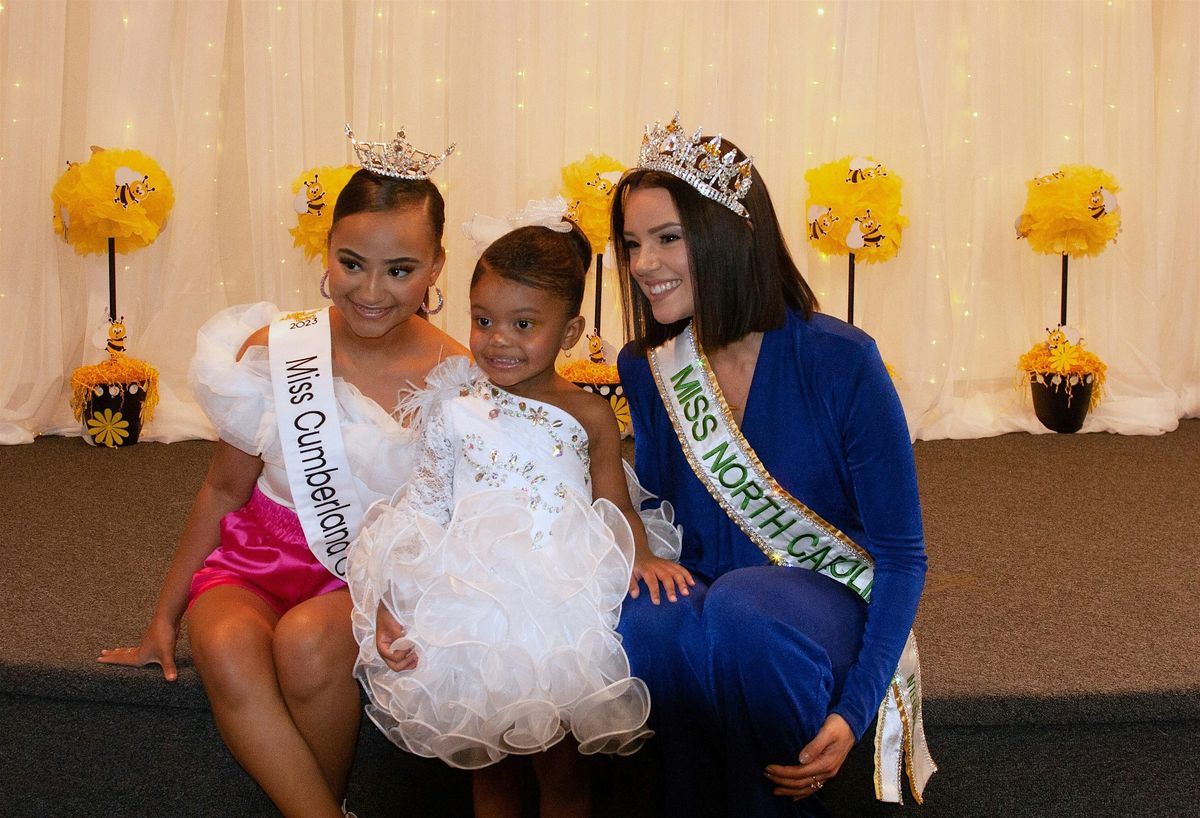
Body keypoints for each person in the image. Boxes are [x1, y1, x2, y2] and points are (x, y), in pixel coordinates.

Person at [98, 126, 467, 818]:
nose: (371, 291)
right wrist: (162, 615)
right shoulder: (279, 349)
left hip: (366, 573)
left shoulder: (456, 376)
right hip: (257, 557)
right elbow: (221, 487)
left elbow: (456, 514)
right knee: (225, 643)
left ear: (437, 266)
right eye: (351, 263)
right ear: (325, 250)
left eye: (400, 270)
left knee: (305, 645)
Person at [610, 114, 935, 817]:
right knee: (645, 619)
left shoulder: (841, 360)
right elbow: (664, 515)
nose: (643, 265)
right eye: (633, 244)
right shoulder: (649, 367)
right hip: (719, 604)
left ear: (730, 235)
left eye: (668, 239)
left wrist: (853, 712)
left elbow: (903, 557)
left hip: (817, 612)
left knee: (744, 608)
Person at [347, 219, 690, 818]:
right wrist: (390, 599)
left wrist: (642, 554)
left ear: (571, 331)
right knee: (491, 768)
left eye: (523, 324)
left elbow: (613, 503)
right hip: (470, 604)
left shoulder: (589, 413)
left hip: (558, 603)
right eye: (483, 320)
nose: (497, 339)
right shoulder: (454, 409)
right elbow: (424, 507)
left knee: (562, 769)